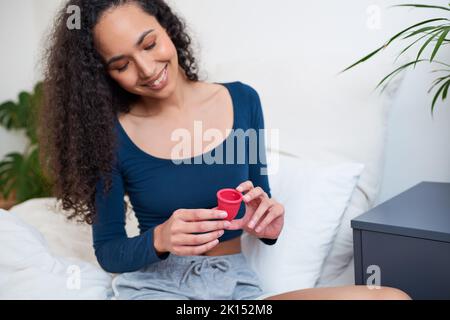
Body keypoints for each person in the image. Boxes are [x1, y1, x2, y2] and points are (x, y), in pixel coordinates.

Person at [39, 0, 411, 300]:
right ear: (104, 74)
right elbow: (109, 251)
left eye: (150, 44)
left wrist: (267, 224)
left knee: (388, 298)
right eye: (122, 65)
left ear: (166, 26)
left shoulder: (242, 100)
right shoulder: (111, 136)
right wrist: (160, 238)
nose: (147, 68)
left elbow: (257, 201)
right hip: (156, 288)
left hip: (235, 286)